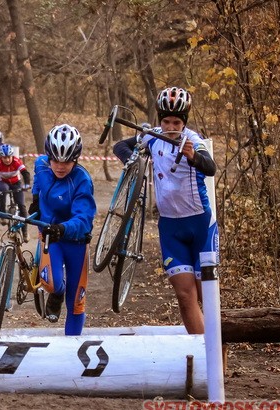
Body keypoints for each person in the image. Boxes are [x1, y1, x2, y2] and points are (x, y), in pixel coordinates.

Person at [113, 86, 218, 335]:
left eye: (177, 122)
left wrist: (193, 157)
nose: (171, 127)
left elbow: (210, 167)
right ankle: (202, 355)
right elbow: (120, 146)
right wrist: (133, 160)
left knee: (208, 298)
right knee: (184, 296)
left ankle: (219, 354)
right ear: (160, 120)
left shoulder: (194, 140)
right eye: (166, 121)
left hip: (200, 225)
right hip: (171, 227)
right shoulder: (153, 136)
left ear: (184, 123)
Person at [29, 124, 96, 336]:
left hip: (75, 241)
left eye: (66, 161)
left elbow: (84, 219)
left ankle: (72, 347)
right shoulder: (41, 164)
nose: (60, 166)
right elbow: (38, 177)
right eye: (55, 160)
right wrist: (36, 198)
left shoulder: (82, 180)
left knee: (76, 302)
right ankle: (57, 293)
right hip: (51, 238)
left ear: (75, 159)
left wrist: (63, 228)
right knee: (51, 283)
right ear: (49, 156)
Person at [0, 144, 31, 241]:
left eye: (8, 157)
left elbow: (25, 173)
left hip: (16, 182)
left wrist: (27, 184)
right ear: (1, 157)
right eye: (4, 158)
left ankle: (25, 232)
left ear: (12, 156)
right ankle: (3, 216)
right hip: (3, 182)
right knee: (2, 190)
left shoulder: (16, 161)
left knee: (22, 205)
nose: (7, 160)